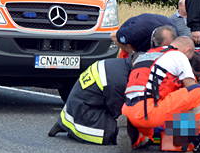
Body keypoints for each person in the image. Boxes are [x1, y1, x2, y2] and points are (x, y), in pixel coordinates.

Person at [50, 25, 178, 145]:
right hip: (87, 118)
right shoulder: (120, 81)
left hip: (77, 110)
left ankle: (66, 124)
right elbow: (124, 113)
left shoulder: (119, 66)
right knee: (131, 132)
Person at [121, 35, 200, 153]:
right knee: (198, 92)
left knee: (150, 129)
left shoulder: (148, 54)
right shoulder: (179, 56)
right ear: (188, 50)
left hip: (128, 109)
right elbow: (191, 88)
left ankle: (136, 136)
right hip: (149, 111)